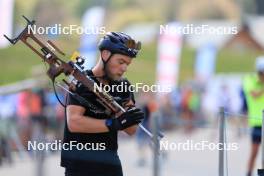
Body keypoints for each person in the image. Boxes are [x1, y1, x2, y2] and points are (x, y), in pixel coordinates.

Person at [61, 32, 144, 176]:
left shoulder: (123, 86)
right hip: (79, 166)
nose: (124, 68)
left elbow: (131, 130)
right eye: (121, 62)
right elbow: (74, 122)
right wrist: (113, 123)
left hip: (110, 164)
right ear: (105, 54)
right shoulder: (81, 80)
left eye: (127, 64)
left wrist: (123, 115)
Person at [244, 56, 264, 176]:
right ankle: (248, 173)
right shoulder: (250, 79)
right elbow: (254, 94)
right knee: (254, 153)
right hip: (256, 122)